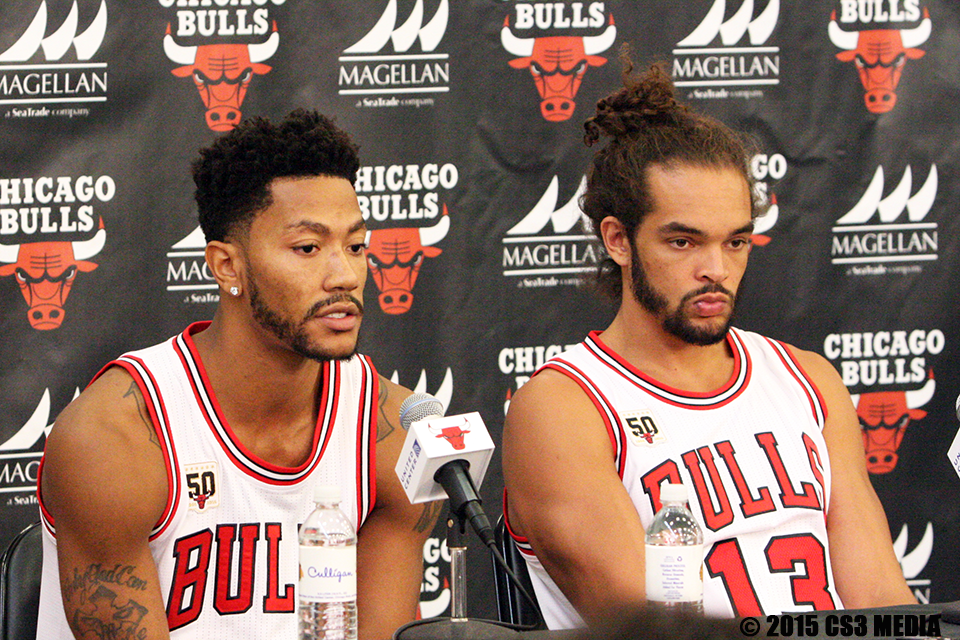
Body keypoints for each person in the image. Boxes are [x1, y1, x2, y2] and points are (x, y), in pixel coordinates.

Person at [501, 59, 916, 629]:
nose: (716, 269)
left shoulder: (809, 380)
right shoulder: (562, 409)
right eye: (683, 241)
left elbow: (881, 604)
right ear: (618, 240)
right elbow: (646, 629)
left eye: (736, 241)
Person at [36, 109, 441, 640]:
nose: (344, 274)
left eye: (356, 246)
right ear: (228, 266)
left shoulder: (392, 433)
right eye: (307, 248)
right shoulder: (114, 437)